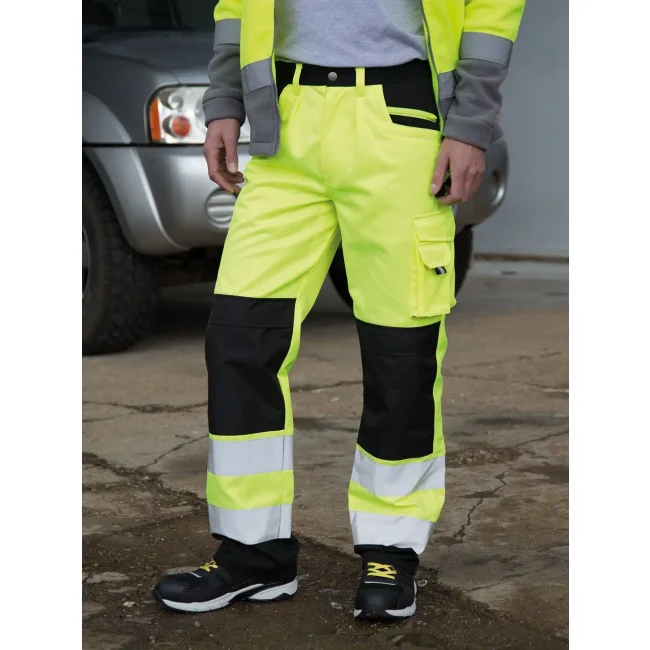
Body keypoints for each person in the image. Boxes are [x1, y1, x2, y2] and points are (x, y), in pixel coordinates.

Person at [155, 0, 525, 621]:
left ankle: (390, 551)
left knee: (400, 350)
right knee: (240, 337)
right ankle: (254, 553)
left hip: (401, 117)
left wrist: (470, 124)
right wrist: (224, 102)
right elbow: (236, 9)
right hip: (286, 121)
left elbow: (491, 11)